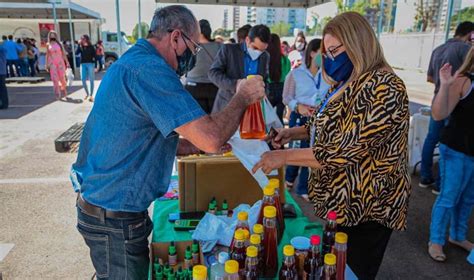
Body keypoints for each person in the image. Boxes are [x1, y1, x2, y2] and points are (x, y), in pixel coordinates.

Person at [70, 6, 265, 279]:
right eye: (193, 48)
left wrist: (192, 145)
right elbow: (211, 138)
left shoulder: (134, 62)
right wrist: (242, 96)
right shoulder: (149, 70)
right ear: (175, 38)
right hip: (113, 216)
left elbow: (139, 137)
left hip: (105, 208)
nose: (192, 58)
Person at [253, 12, 410, 279]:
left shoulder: (386, 87)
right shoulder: (347, 81)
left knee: (349, 271)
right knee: (332, 267)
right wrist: (292, 132)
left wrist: (283, 157)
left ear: (359, 43)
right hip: (342, 205)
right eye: (326, 51)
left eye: (335, 50)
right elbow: (326, 126)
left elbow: (342, 149)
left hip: (366, 207)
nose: (329, 58)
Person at [428, 47, 474, 262]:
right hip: (455, 149)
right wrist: (445, 85)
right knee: (449, 196)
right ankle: (436, 240)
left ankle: (457, 236)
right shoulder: (464, 80)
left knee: (467, 199)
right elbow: (439, 114)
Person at [420, 21, 473, 193]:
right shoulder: (463, 49)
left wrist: (442, 84)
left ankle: (425, 176)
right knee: (450, 141)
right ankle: (440, 184)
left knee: (432, 138)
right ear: (469, 34)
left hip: (438, 96)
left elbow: (429, 78)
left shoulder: (438, 49)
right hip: (457, 101)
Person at [281, 38, 330, 200]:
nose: (325, 56)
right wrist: (297, 106)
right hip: (300, 118)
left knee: (311, 154)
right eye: (322, 52)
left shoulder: (329, 76)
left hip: (320, 120)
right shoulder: (296, 73)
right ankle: (288, 179)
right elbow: (286, 97)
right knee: (296, 152)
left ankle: (304, 188)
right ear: (312, 53)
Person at [209, 24, 270, 113]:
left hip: (252, 109)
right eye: (255, 48)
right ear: (247, 40)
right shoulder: (229, 50)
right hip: (227, 105)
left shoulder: (265, 56)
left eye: (262, 50)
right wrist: (235, 84)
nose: (258, 52)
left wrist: (264, 91)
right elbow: (213, 73)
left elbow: (266, 79)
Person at [185, 19, 221, 114]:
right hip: (215, 87)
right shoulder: (220, 47)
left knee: (198, 121)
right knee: (215, 120)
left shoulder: (191, 47)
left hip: (194, 87)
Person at [267, 33, 291, 122]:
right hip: (282, 90)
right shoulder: (286, 60)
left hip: (268, 90)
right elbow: (288, 75)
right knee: (280, 118)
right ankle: (279, 135)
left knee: (266, 118)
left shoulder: (265, 59)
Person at [45, 31, 69, 100]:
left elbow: (63, 54)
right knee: (54, 79)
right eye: (51, 35)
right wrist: (46, 64)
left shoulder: (60, 44)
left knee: (62, 78)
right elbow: (47, 55)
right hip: (52, 63)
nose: (52, 37)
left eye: (54, 35)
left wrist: (67, 62)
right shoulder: (48, 44)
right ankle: (58, 93)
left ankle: (64, 91)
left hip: (60, 62)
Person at [76, 35, 96, 101]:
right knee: (83, 79)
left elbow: (95, 56)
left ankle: (91, 95)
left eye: (83, 39)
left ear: (87, 39)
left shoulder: (91, 47)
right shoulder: (81, 47)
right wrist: (78, 45)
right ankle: (87, 94)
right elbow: (76, 53)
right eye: (81, 39)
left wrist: (95, 66)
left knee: (91, 80)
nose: (82, 40)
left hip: (90, 64)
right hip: (83, 64)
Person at [0, 37, 8, 109]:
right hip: (2, 71)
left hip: (1, 71)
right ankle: (4, 103)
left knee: (2, 88)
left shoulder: (1, 48)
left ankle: (4, 103)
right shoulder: (3, 48)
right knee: (2, 88)